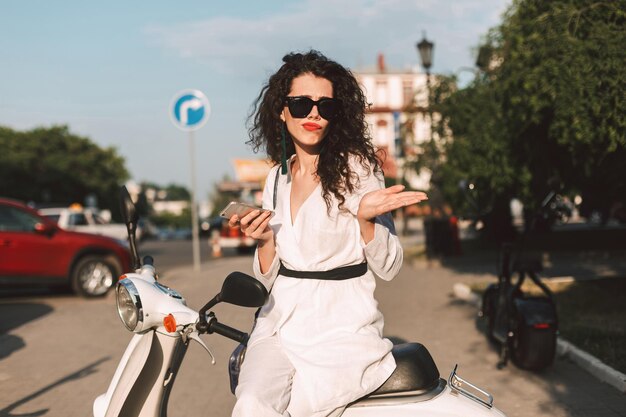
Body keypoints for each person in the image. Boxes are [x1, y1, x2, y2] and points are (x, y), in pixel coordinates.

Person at [228, 50, 428, 417]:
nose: (314, 114)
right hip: (279, 322)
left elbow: (390, 266)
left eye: (326, 106)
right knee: (252, 403)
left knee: (302, 409)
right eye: (301, 104)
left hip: (339, 328)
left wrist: (366, 219)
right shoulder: (276, 178)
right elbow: (269, 275)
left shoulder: (358, 169)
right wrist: (265, 240)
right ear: (282, 110)